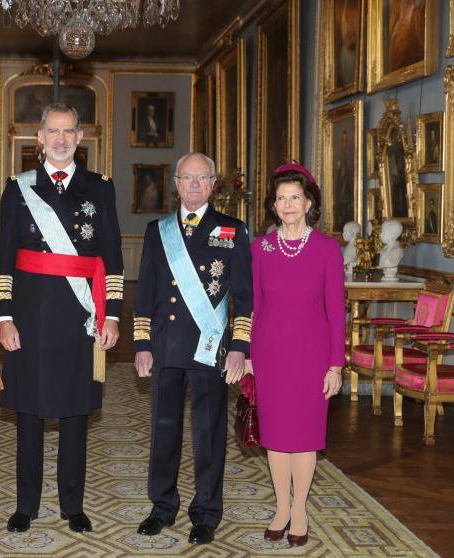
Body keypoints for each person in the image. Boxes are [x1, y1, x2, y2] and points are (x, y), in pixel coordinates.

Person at [0, 103, 124, 534]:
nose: (61, 139)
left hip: (79, 316)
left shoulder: (100, 188)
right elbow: (3, 260)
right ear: (40, 138)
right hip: (29, 316)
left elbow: (114, 259)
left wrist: (113, 316)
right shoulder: (18, 188)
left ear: (81, 137)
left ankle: (73, 504)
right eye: (53, 131)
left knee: (75, 412)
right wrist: (4, 317)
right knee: (28, 412)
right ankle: (25, 505)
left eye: (69, 131)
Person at [133, 153, 253, 545]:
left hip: (210, 348)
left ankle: (206, 512)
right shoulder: (158, 230)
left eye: (202, 178)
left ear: (215, 183)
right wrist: (141, 343)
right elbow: (146, 293)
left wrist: (238, 346)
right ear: (176, 184)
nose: (194, 185)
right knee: (163, 431)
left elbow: (244, 299)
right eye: (187, 178)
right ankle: (162, 506)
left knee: (208, 433)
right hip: (166, 346)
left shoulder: (233, 231)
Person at [247, 163, 345, 547]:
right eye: (281, 198)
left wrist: (336, 364)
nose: (287, 205)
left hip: (312, 354)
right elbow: (252, 305)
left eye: (295, 198)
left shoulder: (326, 250)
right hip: (270, 353)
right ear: (274, 205)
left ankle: (299, 509)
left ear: (308, 203)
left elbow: (336, 311)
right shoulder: (261, 249)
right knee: (275, 436)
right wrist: (250, 356)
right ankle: (280, 508)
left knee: (304, 436)